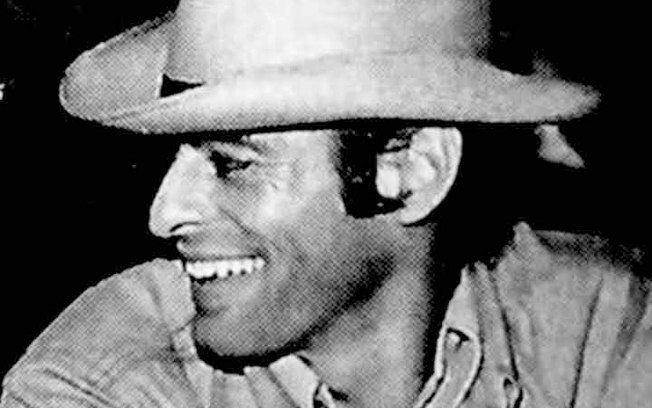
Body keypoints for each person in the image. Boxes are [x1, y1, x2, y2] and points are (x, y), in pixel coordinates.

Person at [2, 0, 649, 407]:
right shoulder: (102, 385)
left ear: (410, 170)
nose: (163, 213)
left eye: (231, 163)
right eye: (172, 160)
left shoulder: (602, 326)